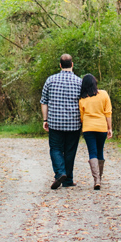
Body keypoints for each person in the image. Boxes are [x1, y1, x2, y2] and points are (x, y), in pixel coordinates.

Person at [40, 54, 82, 189]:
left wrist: (45, 119)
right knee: (70, 151)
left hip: (55, 122)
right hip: (74, 123)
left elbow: (44, 102)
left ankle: (60, 173)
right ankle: (68, 180)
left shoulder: (50, 80)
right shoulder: (79, 81)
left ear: (60, 65)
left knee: (56, 149)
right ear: (72, 64)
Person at [78, 73, 112, 190]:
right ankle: (99, 179)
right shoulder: (104, 94)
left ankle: (96, 179)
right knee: (100, 151)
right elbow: (108, 112)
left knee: (92, 152)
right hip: (101, 127)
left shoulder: (82, 99)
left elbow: (82, 117)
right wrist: (109, 128)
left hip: (88, 128)